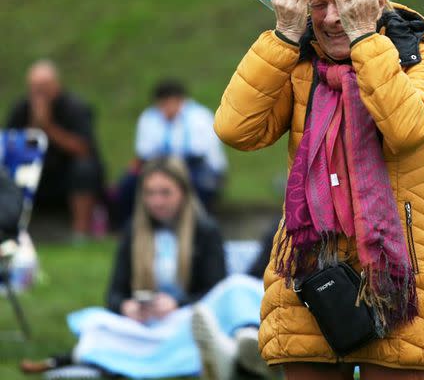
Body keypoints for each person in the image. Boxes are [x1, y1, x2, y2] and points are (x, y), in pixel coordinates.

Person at [214, 0, 424, 378]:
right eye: (316, 4)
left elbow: (406, 129)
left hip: (398, 280)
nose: (327, 18)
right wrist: (283, 35)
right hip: (310, 276)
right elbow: (236, 129)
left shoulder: (421, 59)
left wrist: (365, 39)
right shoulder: (297, 62)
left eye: (344, 2)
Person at [19, 158, 258, 379]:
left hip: (189, 316)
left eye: (165, 193)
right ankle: (79, 361)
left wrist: (178, 304)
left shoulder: (205, 230)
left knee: (236, 289)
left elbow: (214, 289)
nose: (157, 201)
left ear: (183, 193)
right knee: (97, 324)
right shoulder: (135, 231)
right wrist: (128, 306)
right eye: (150, 193)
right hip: (148, 325)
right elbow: (114, 294)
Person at [5, 60, 105, 239]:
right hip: (33, 172)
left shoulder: (74, 108)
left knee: (85, 169)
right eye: (34, 87)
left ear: (57, 85)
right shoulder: (21, 108)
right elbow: (9, 146)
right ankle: (11, 228)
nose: (39, 92)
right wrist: (34, 127)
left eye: (43, 86)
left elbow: (84, 149)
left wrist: (48, 127)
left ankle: (80, 232)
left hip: (66, 173)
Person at [115, 79, 228, 223]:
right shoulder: (149, 117)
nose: (166, 109)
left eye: (170, 103)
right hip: (158, 166)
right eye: (162, 104)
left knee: (197, 186)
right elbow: (144, 151)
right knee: (128, 184)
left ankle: (195, 223)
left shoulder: (200, 116)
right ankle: (133, 225)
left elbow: (199, 151)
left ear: (181, 100)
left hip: (197, 167)